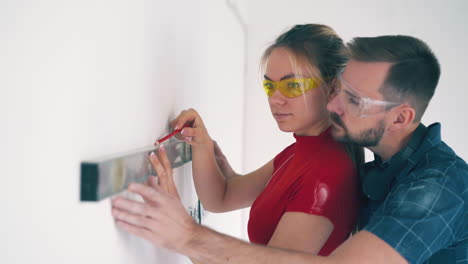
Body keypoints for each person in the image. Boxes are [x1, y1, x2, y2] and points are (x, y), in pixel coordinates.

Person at [111, 35, 468, 263]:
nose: (336, 103)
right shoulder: (369, 162)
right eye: (341, 88)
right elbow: (224, 196)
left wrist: (186, 236)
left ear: (401, 118)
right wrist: (202, 148)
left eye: (354, 98)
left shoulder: (437, 187)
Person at [169, 24, 363, 255]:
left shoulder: (328, 172)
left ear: (333, 88)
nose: (275, 99)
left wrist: (182, 234)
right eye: (270, 86)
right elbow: (222, 196)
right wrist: (200, 143)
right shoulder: (297, 153)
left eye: (293, 85)